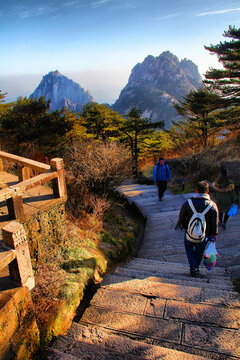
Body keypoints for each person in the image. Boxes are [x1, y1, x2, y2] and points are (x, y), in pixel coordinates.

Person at [175, 181, 218, 277]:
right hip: (204, 234)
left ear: (197, 190)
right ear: (207, 191)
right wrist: (214, 234)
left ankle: (193, 267)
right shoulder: (212, 206)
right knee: (199, 251)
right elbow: (214, 222)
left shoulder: (188, 203)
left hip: (189, 233)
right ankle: (195, 267)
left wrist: (187, 228)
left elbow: (181, 219)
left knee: (189, 247)